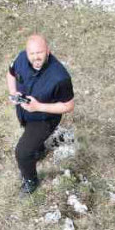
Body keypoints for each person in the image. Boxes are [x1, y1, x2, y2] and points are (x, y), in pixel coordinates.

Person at [7, 33, 75, 195]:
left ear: (48, 51)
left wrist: (38, 107)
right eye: (32, 53)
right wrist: (14, 92)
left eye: (40, 53)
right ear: (27, 52)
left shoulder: (60, 77)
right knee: (31, 141)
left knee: (22, 153)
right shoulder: (21, 58)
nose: (36, 57)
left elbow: (69, 105)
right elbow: (10, 73)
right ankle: (39, 150)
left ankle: (30, 180)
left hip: (45, 118)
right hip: (24, 111)